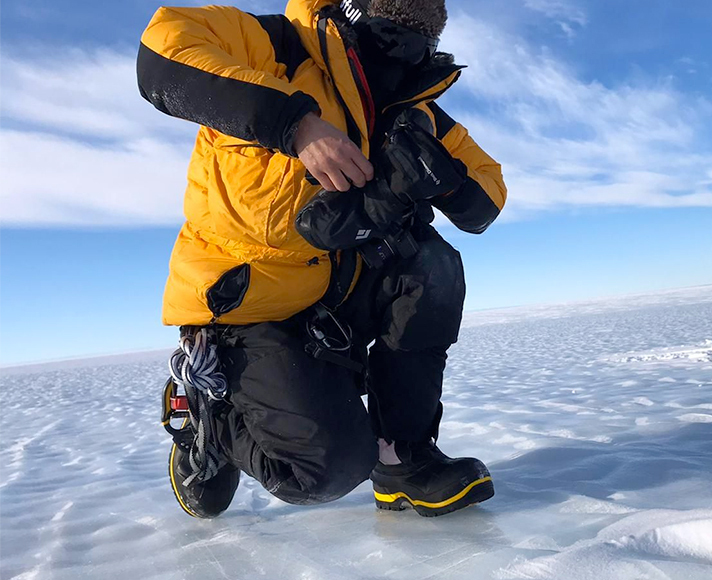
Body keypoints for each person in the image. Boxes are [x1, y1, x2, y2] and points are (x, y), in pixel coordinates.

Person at [138, 0, 506, 518]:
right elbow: (161, 52)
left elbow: (487, 194)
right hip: (248, 308)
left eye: (415, 47)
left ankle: (402, 455)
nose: (398, 61)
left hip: (335, 303)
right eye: (386, 40)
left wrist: (445, 180)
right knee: (323, 473)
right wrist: (296, 125)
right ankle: (210, 418)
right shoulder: (275, 47)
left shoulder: (413, 108)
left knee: (431, 264)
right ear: (351, 17)